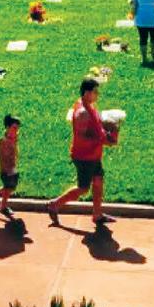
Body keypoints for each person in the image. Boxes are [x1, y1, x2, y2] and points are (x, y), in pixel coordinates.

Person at [46, 77, 117, 225]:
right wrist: (104, 139)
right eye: (95, 91)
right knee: (83, 188)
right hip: (84, 157)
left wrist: (107, 129)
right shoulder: (82, 113)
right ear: (86, 93)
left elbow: (95, 127)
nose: (97, 94)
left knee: (98, 182)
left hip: (93, 155)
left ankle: (97, 215)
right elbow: (83, 137)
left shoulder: (89, 106)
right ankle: (54, 204)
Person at [0, 115, 20, 217]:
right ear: (7, 127)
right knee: (8, 188)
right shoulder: (3, 141)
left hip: (12, 167)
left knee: (11, 188)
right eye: (14, 128)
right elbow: (1, 157)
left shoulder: (14, 137)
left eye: (17, 128)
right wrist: (6, 169)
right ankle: (3, 206)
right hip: (6, 169)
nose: (16, 130)